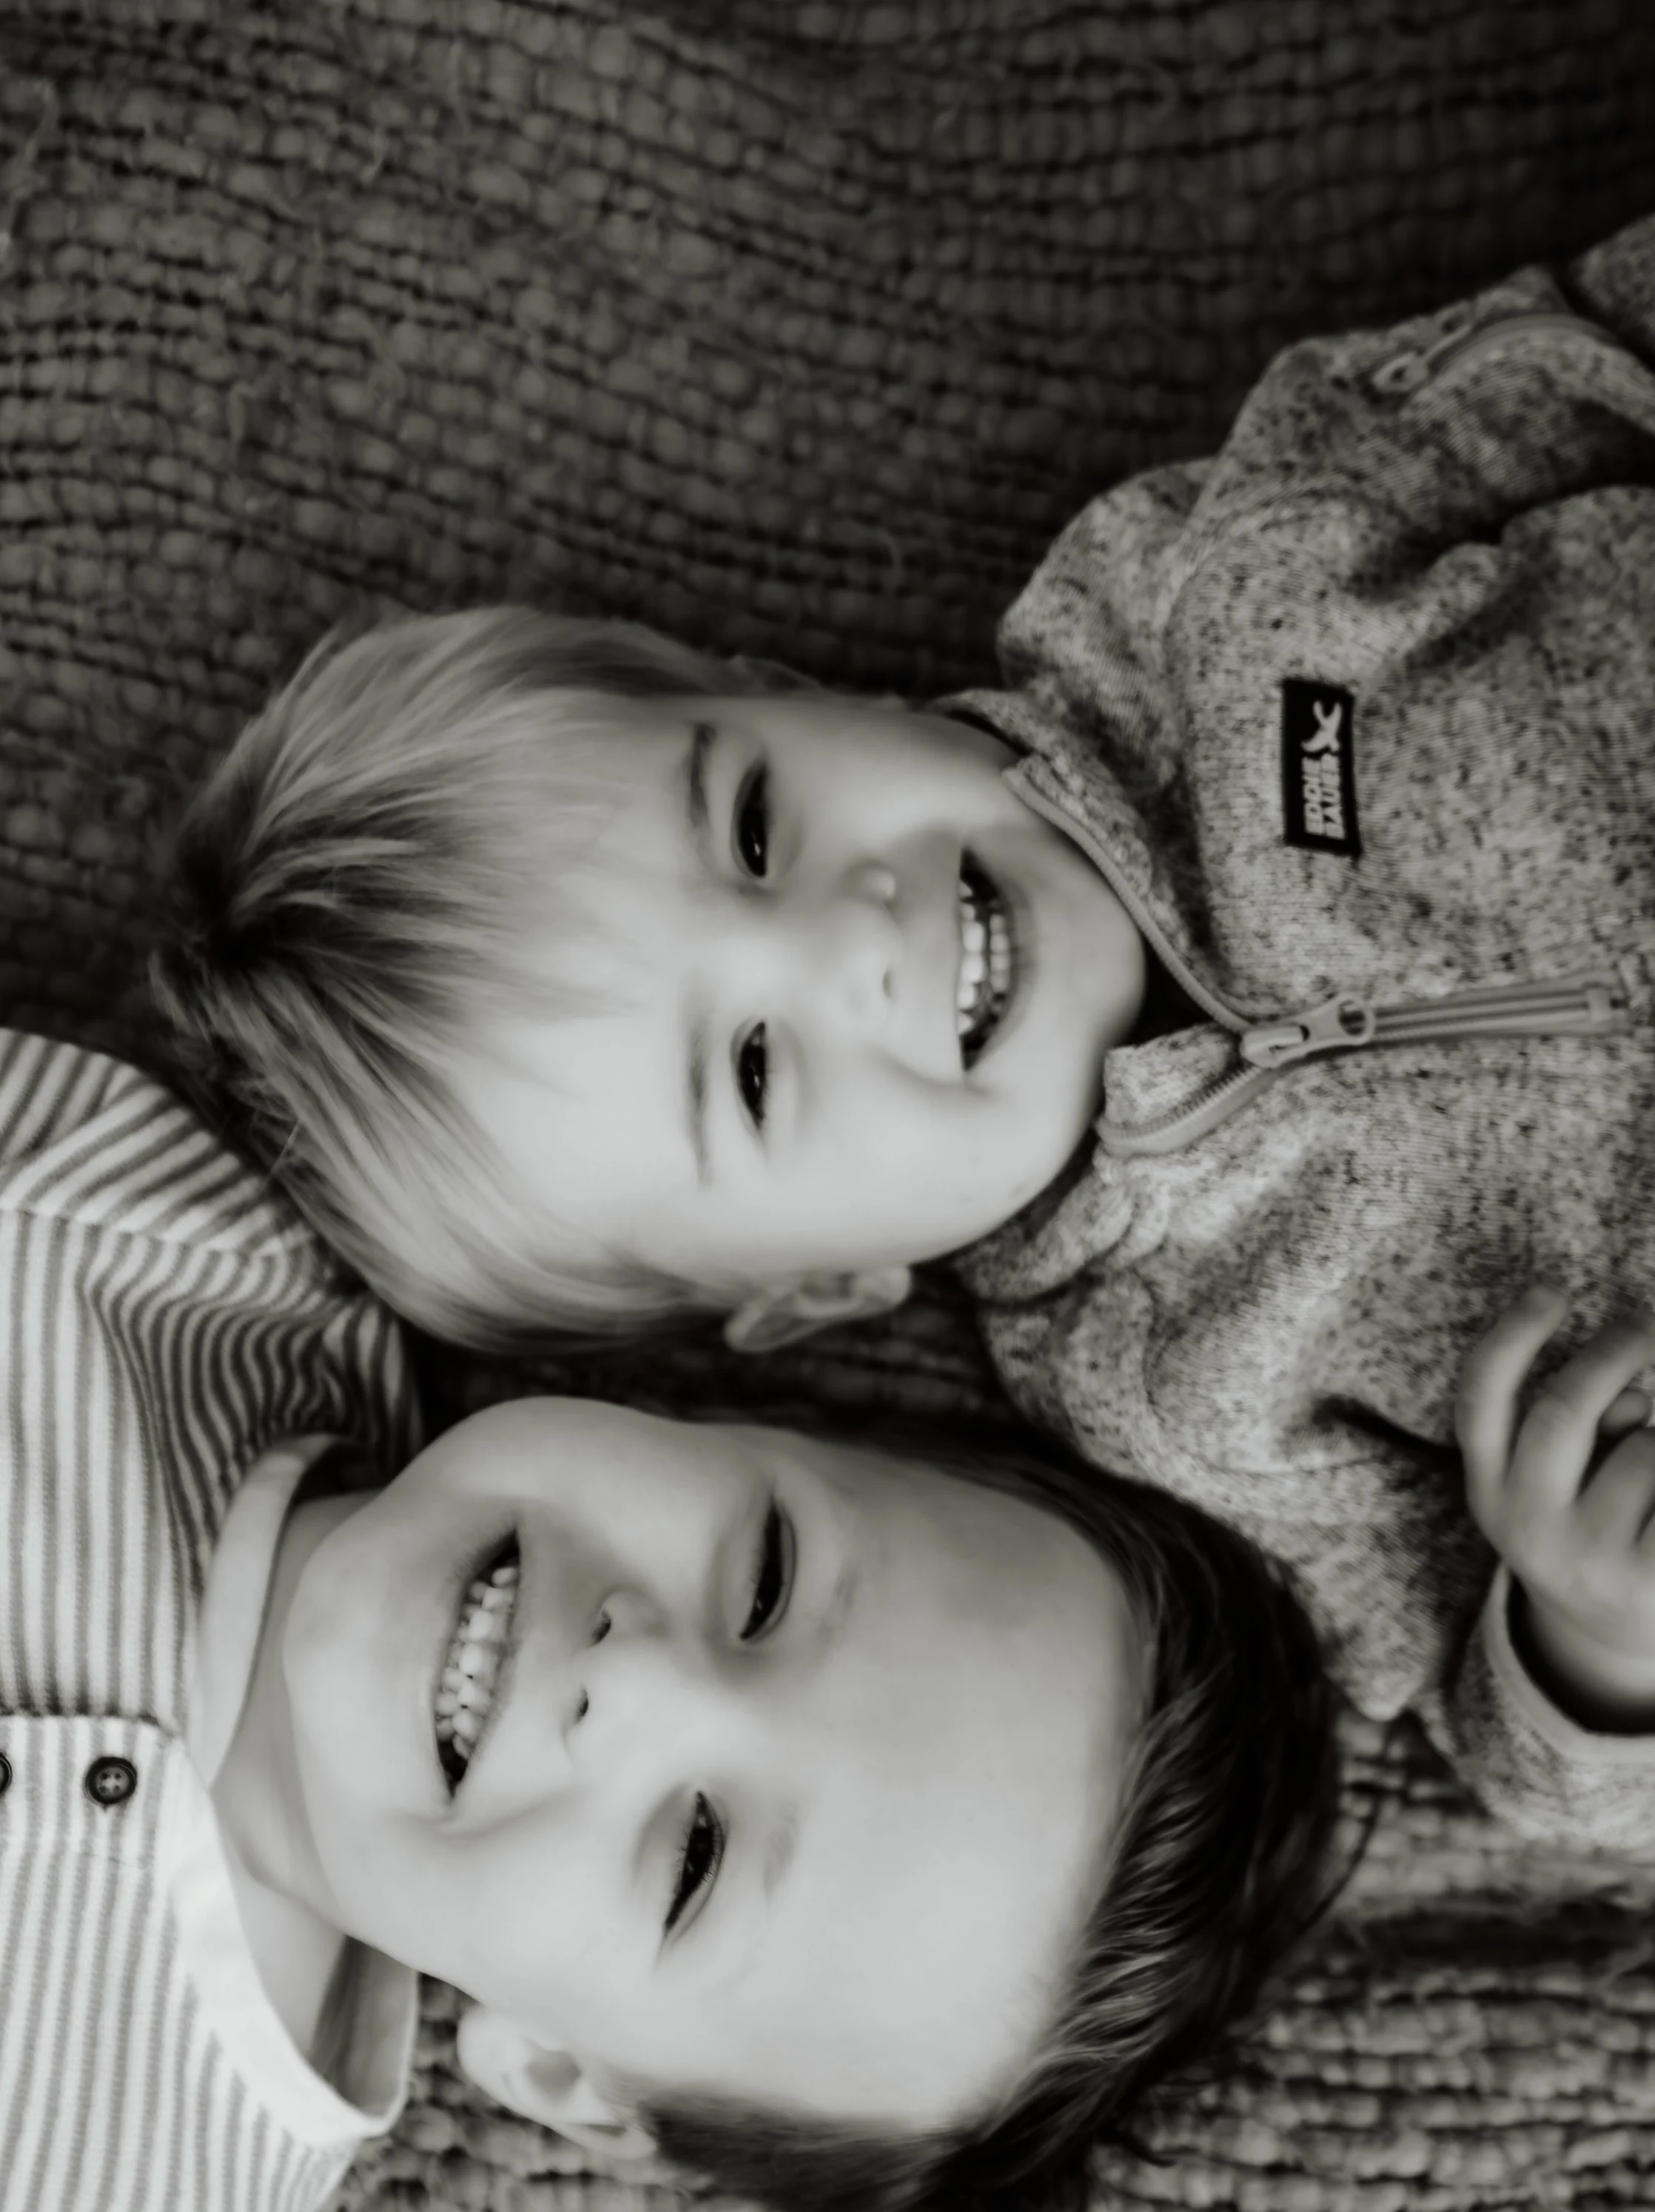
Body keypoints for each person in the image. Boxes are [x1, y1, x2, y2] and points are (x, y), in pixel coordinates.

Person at [155, 212, 1655, 1847]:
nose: (848, 940)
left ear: (777, 681)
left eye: (747, 828)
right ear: (820, 1289)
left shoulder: (1209, 595)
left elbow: (1557, 353)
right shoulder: (1177, 1399)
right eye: (748, 1071)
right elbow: (1476, 1724)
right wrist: (1585, 1638)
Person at [0, 992, 1338, 2212]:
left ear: (557, 2071)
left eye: (694, 1858)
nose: (641, 1680)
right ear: (699, 1413)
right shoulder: (164, 1237)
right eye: (763, 1582)